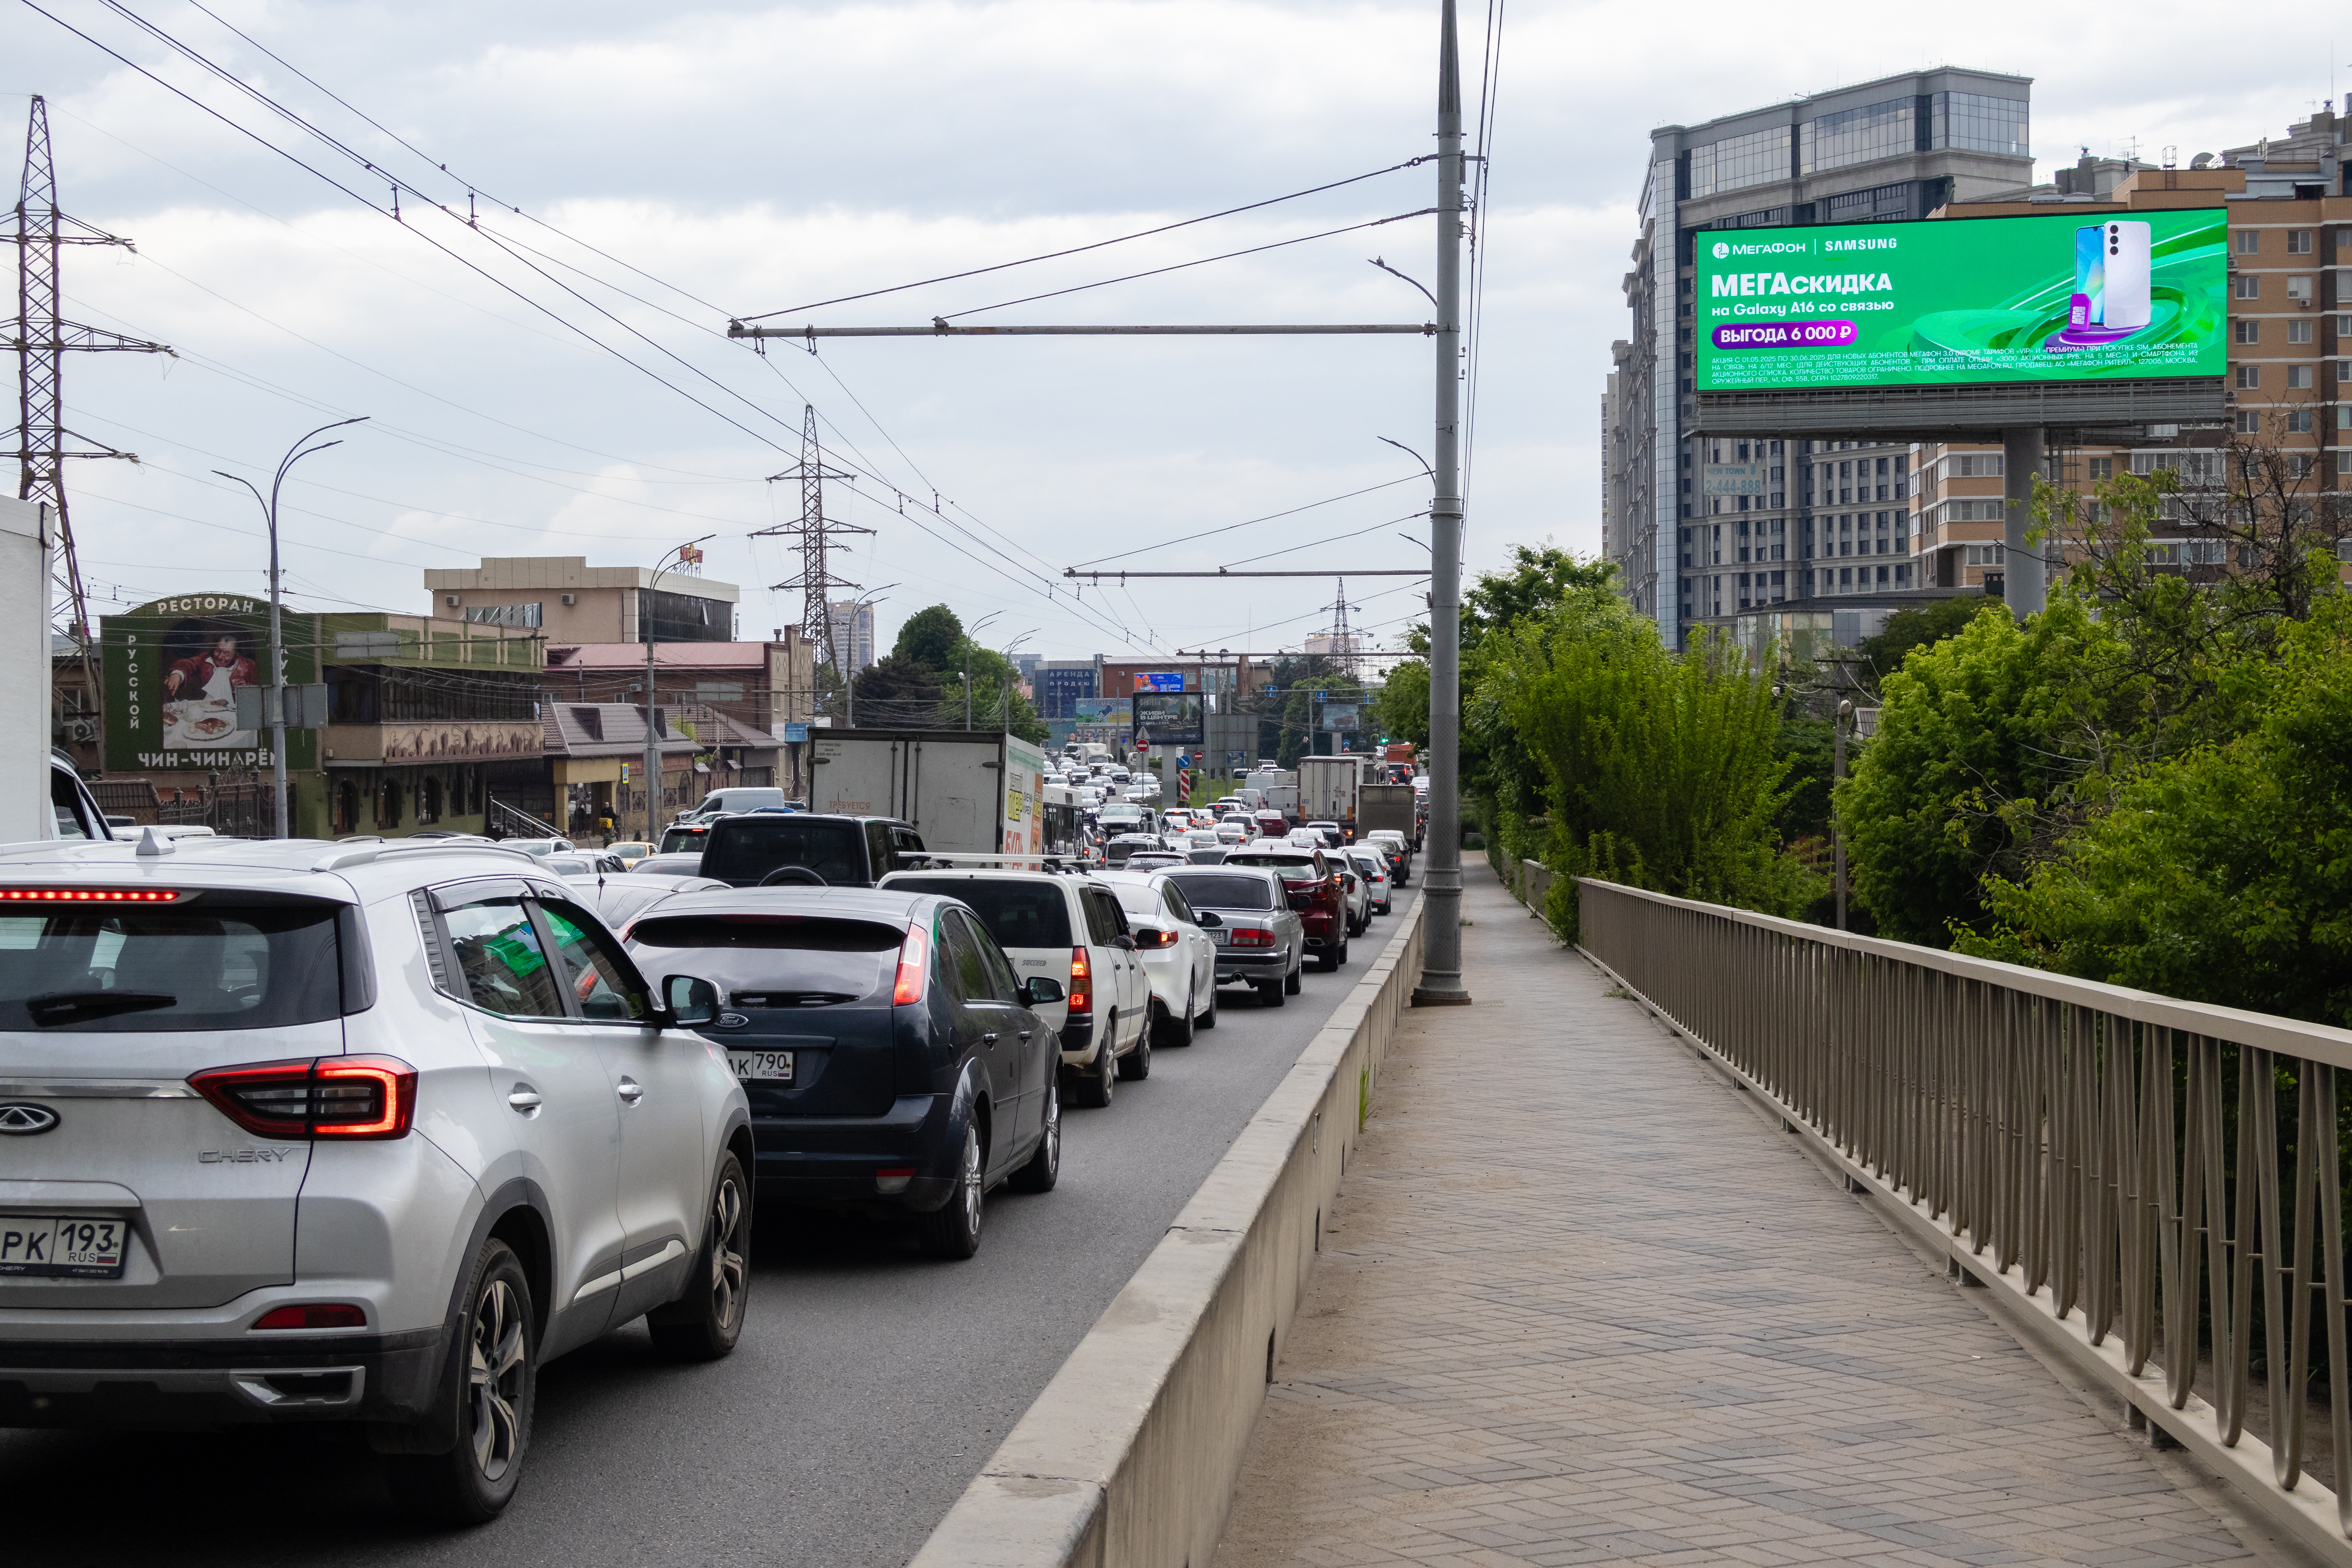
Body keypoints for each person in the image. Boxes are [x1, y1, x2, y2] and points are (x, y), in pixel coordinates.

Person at [164, 633, 256, 701]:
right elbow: (188, 664)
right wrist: (178, 674)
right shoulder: (206, 660)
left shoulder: (249, 667)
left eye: (227, 653)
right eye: (218, 651)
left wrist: (248, 689)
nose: (220, 657)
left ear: (236, 655)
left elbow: (262, 692)